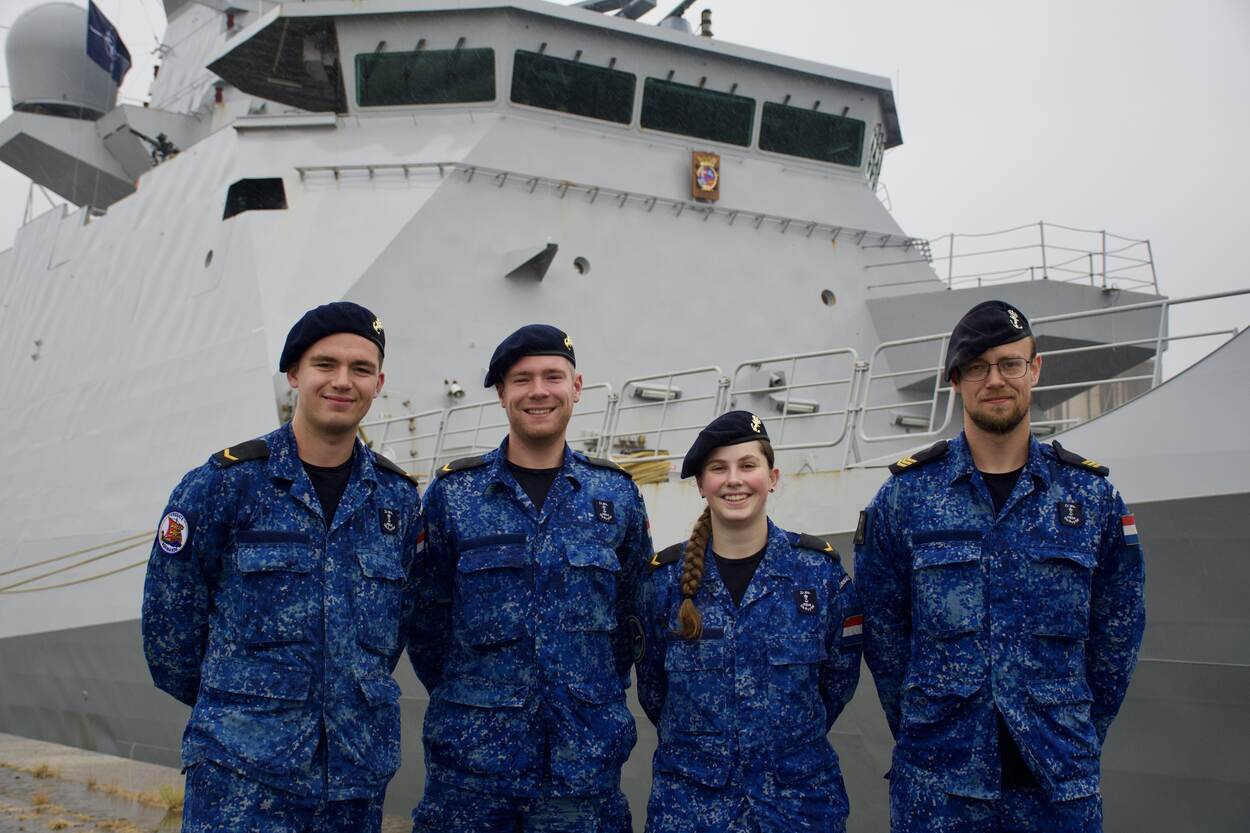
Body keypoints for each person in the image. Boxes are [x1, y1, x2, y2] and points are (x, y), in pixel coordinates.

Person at [854, 300, 1146, 833]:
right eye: (977, 367)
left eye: (1010, 363)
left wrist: (1071, 730)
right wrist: (930, 728)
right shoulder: (905, 498)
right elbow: (883, 635)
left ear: (1034, 370)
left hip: (1057, 789)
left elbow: (1118, 634)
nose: (995, 380)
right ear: (956, 381)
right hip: (939, 791)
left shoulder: (1091, 498)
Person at [142, 301, 421, 833]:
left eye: (361, 369)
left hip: (353, 780)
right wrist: (240, 711)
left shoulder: (397, 499)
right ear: (294, 373)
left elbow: (398, 630)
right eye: (325, 364)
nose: (343, 381)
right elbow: (169, 631)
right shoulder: (225, 484)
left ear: (378, 383)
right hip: (241, 781)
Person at [408, 323, 652, 833]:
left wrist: (586, 693)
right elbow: (426, 621)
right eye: (522, 380)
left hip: (581, 771)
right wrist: (477, 699)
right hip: (472, 772)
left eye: (552, 377)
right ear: (502, 394)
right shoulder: (455, 495)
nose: (538, 391)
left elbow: (631, 620)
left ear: (576, 388)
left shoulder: (616, 496)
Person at [635, 410, 862, 833]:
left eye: (747, 465)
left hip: (798, 809)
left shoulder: (821, 576)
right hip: (691, 810)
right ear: (701, 484)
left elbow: (837, 684)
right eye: (718, 468)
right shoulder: (663, 583)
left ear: (772, 477)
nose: (734, 480)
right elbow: (653, 692)